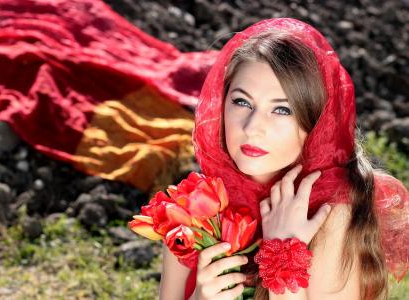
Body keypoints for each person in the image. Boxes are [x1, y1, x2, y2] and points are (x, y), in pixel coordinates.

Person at [159, 18, 408, 300]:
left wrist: (284, 251)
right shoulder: (194, 207)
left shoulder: (330, 214)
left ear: (316, 123)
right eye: (242, 102)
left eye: (281, 110)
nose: (252, 127)